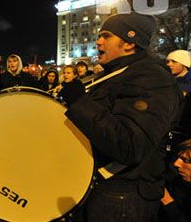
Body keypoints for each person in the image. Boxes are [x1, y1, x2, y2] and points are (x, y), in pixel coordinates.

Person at [64, 12, 182, 222]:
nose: (98, 41)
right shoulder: (116, 74)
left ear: (129, 43)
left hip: (123, 196)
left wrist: (80, 104)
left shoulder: (152, 79)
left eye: (107, 36)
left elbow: (129, 145)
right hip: (102, 189)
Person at [159, 138, 191, 222]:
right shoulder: (177, 182)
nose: (176, 163)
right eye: (179, 158)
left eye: (187, 160)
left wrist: (168, 201)